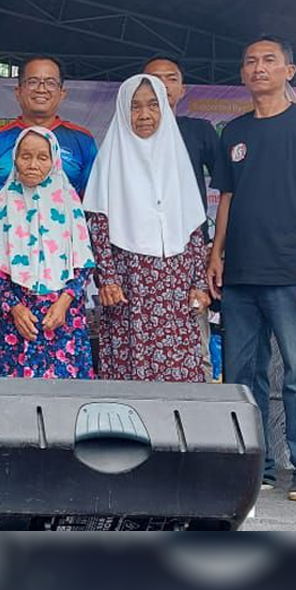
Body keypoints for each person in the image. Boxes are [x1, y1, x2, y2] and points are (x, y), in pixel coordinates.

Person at [208, 36, 296, 501]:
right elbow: (227, 198)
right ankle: (252, 466)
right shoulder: (234, 132)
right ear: (242, 73)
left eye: (269, 60)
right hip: (240, 274)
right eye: (250, 62)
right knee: (243, 375)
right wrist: (216, 253)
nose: (258, 68)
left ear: (289, 71)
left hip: (293, 271)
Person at [83, 74, 210, 381]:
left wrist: (199, 284)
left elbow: (194, 227)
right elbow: (98, 225)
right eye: (135, 106)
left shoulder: (176, 158)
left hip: (175, 285)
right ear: (123, 111)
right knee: (130, 366)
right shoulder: (110, 160)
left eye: (153, 105)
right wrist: (108, 280)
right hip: (129, 282)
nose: (144, 115)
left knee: (178, 368)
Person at [0, 58, 98, 377]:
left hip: (63, 306)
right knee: (9, 385)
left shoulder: (81, 145)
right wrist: (14, 306)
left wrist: (64, 300)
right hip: (12, 300)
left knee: (67, 393)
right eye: (33, 81)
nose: (33, 164)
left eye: (49, 82)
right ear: (18, 90)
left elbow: (85, 250)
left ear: (62, 91)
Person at [142, 56, 221, 380]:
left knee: (194, 343)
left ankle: (200, 409)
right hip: (141, 259)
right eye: (153, 79)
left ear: (182, 89)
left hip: (190, 256)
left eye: (170, 78)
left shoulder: (198, 130)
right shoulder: (128, 136)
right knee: (143, 346)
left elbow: (230, 188)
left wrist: (216, 248)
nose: (162, 85)